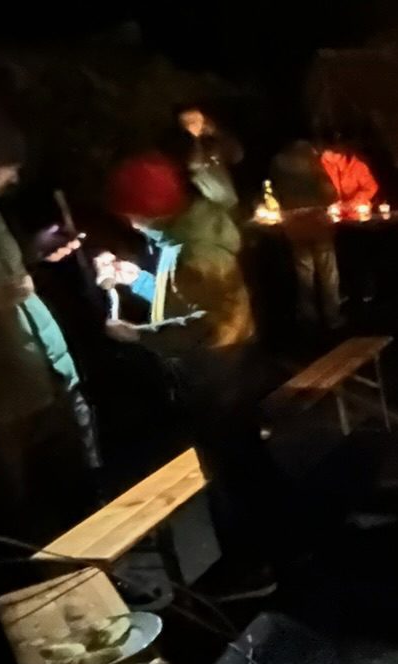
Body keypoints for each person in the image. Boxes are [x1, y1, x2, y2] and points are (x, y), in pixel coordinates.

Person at [104, 152, 273, 600]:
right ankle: (268, 550)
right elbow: (182, 297)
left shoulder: (197, 249)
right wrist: (137, 279)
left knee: (231, 472)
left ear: (149, 209)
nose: (130, 224)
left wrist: (137, 335)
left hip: (218, 371)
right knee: (241, 463)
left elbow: (203, 323)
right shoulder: (186, 237)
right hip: (223, 366)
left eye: (131, 214)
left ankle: (251, 568)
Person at [0, 105, 95, 544]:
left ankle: (93, 569)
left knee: (75, 495)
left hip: (44, 375)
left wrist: (35, 250)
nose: (14, 178)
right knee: (19, 515)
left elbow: (3, 269)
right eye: (8, 165)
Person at [270, 140, 342, 332]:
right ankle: (332, 316)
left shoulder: (277, 165)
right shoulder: (313, 164)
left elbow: (274, 193)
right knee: (328, 272)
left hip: (294, 224)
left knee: (304, 272)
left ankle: (308, 316)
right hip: (317, 222)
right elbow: (330, 194)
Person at [174, 105, 243, 208]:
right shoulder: (182, 145)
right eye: (189, 121)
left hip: (229, 197)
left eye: (198, 119)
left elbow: (237, 156)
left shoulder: (213, 140)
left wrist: (217, 133)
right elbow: (194, 165)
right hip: (205, 202)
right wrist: (195, 139)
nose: (196, 124)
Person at [318, 139, 379, 210]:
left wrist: (353, 203)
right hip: (329, 211)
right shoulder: (318, 166)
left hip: (355, 211)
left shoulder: (357, 166)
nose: (331, 155)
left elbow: (371, 187)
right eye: (327, 151)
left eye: (335, 152)